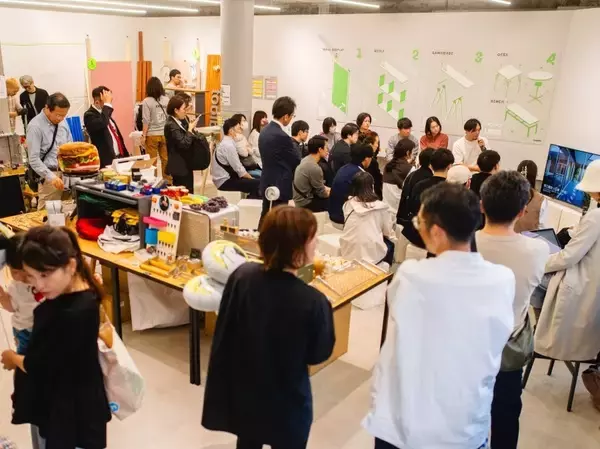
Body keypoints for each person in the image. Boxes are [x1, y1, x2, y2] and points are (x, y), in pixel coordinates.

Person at [363, 183, 515, 449]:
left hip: (407, 423)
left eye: (419, 222)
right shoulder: (503, 279)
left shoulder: (412, 275)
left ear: (436, 232)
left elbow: (398, 305)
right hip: (466, 423)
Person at [202, 206, 335, 449]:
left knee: (247, 441)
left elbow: (227, 326)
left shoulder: (242, 276)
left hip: (246, 392)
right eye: (312, 238)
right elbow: (319, 353)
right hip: (286, 403)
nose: (316, 243)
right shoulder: (313, 301)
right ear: (296, 247)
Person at [1, 226, 111, 449]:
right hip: (79, 406)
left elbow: (39, 365)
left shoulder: (66, 313)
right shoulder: (85, 293)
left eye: (45, 275)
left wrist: (12, 358)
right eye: (32, 276)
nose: (39, 285)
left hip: (68, 414)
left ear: (70, 266)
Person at [476, 171, 550, 449]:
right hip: (508, 349)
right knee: (506, 414)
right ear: (521, 211)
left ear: (481, 205)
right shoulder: (537, 250)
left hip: (464, 348)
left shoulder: (459, 244)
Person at [535, 159, 600, 363]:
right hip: (593, 288)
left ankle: (537, 331)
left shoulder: (595, 217)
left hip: (580, 284)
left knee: (535, 280)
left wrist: (539, 263)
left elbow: (568, 257)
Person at [26, 92, 73, 210]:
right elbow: (33, 159)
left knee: (68, 214)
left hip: (66, 174)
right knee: (48, 215)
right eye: (58, 115)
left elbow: (70, 145)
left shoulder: (63, 122)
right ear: (47, 108)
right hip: (49, 177)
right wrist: (51, 177)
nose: (61, 119)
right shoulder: (35, 126)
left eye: (64, 115)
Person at [401, 149, 455, 249]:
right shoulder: (451, 190)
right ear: (449, 166)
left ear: (431, 165)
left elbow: (411, 207)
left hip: (415, 235)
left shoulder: (419, 185)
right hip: (437, 240)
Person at [258, 96, 301, 223]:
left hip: (267, 179)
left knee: (266, 215)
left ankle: (261, 235)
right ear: (286, 116)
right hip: (280, 183)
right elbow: (296, 159)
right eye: (292, 116)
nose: (291, 119)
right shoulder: (283, 136)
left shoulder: (264, 131)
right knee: (278, 219)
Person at [340, 172, 394, 266]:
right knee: (391, 244)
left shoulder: (347, 204)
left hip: (348, 250)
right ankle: (386, 271)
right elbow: (387, 232)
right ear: (372, 186)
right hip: (372, 255)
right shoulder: (381, 207)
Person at [164, 95, 206, 192]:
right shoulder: (171, 125)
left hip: (186, 163)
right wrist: (190, 129)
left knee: (189, 190)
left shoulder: (180, 120)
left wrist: (191, 125)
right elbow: (184, 144)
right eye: (184, 109)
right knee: (183, 192)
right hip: (179, 165)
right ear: (176, 110)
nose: (185, 111)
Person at [212, 118, 260, 198]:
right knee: (258, 183)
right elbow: (239, 169)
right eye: (238, 129)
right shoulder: (228, 146)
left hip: (226, 178)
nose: (241, 131)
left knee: (257, 180)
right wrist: (251, 178)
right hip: (224, 182)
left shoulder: (227, 142)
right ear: (231, 131)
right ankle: (250, 204)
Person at [328, 143, 374, 228]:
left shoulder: (343, 168)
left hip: (333, 215)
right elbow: (369, 202)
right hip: (345, 219)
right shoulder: (363, 176)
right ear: (367, 159)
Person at [83, 86, 129, 168]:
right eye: (107, 100)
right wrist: (107, 104)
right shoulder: (89, 115)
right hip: (107, 161)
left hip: (120, 158)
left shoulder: (105, 114)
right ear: (97, 102)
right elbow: (103, 122)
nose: (110, 103)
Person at [142, 76, 170, 182]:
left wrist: (143, 135)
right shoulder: (166, 100)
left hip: (152, 135)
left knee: (152, 161)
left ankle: (153, 181)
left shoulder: (146, 101)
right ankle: (168, 182)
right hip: (165, 134)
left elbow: (146, 120)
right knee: (166, 159)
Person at [293, 135, 330, 212]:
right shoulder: (315, 168)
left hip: (299, 198)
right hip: (305, 202)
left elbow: (318, 185)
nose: (328, 150)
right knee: (335, 200)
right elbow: (322, 193)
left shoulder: (306, 159)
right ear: (320, 149)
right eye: (326, 147)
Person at [514, 160, 549, 232]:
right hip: (529, 238)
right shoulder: (540, 200)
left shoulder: (506, 193)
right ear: (535, 176)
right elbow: (542, 228)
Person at [382, 139, 415, 213]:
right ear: (408, 153)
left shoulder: (387, 166)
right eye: (412, 151)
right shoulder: (410, 169)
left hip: (384, 210)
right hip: (399, 211)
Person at [360, 132, 383, 200]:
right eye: (376, 143)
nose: (377, 145)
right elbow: (377, 181)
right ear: (370, 144)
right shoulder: (372, 162)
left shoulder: (359, 154)